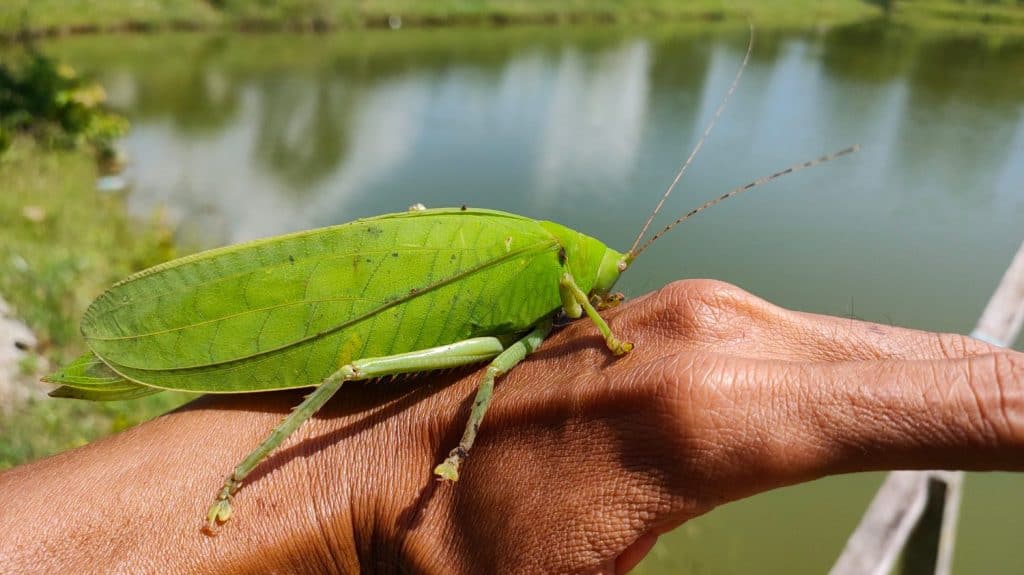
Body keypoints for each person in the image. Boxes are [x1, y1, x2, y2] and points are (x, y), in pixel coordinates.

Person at [1, 280, 1020, 573]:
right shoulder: (559, 282)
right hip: (362, 309)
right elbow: (488, 376)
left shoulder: (561, 282)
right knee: (354, 360)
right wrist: (434, 459)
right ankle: (234, 477)